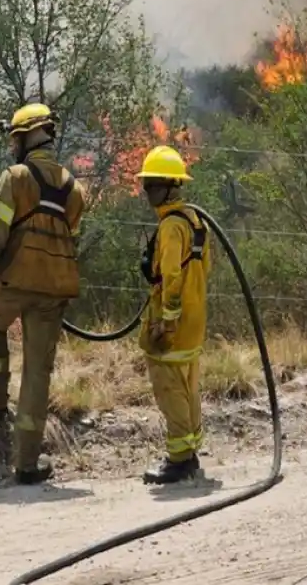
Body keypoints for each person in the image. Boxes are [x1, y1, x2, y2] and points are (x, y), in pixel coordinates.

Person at [0, 102, 87, 485]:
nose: (13, 146)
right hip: (52, 291)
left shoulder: (15, 177)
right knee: (37, 373)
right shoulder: (74, 189)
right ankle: (26, 463)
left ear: (26, 138)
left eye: (15, 139)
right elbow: (70, 238)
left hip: (11, 282)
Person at [136, 145, 211, 485]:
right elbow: (204, 269)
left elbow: (171, 276)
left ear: (170, 186)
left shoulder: (170, 226)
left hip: (174, 322)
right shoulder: (195, 220)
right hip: (195, 319)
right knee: (188, 384)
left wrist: (167, 321)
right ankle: (191, 450)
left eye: (152, 185)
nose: (147, 192)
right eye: (146, 185)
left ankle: (180, 459)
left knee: (169, 386)